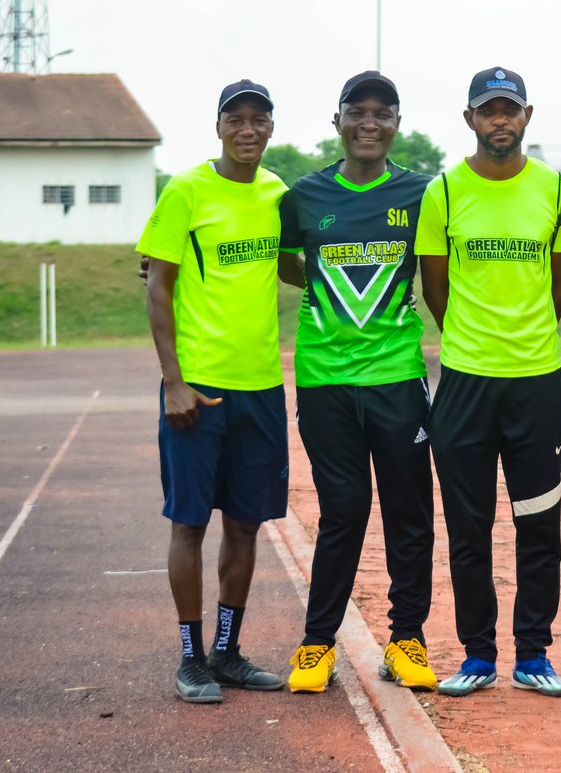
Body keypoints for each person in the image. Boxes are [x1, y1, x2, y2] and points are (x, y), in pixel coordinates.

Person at [415, 66, 561, 698]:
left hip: (537, 385)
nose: (500, 120)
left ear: (527, 116)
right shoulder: (445, 194)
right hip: (465, 386)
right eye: (489, 110)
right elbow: (438, 289)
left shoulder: (558, 192)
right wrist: (475, 339)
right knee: (469, 528)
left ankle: (533, 654)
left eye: (510, 109)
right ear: (470, 120)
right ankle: (478, 654)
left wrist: (528, 334)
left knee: (539, 525)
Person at [278, 71, 437, 694]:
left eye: (383, 112)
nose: (370, 122)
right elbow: (279, 255)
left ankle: (407, 641)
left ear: (397, 123)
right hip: (325, 380)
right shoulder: (304, 195)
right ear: (337, 121)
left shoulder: (423, 194)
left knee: (409, 512)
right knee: (343, 511)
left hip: (397, 376)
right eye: (357, 112)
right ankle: (318, 645)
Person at [137, 79, 292, 704]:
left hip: (261, 386)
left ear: (271, 128)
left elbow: (293, 265)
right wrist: (174, 381)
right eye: (237, 118)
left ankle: (227, 652)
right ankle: (190, 658)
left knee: (247, 525)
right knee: (189, 524)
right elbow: (157, 284)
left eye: (260, 119)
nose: (248, 129)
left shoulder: (279, 194)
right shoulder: (186, 191)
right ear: (219, 126)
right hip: (198, 388)